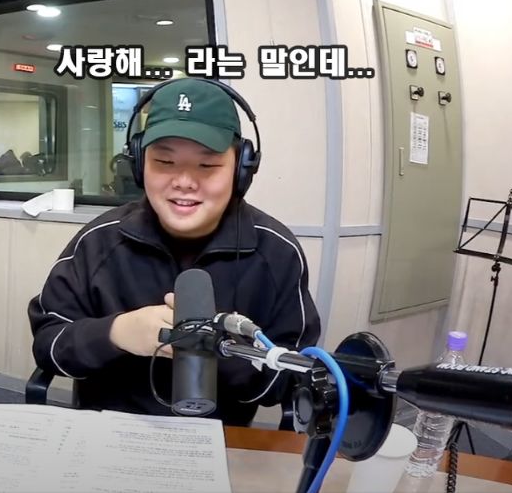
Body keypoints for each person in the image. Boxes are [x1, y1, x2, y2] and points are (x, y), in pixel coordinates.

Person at [28, 77, 321, 426]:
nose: (183, 181)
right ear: (139, 164)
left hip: (220, 438)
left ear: (242, 169)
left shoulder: (277, 252)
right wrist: (116, 333)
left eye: (207, 166)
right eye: (165, 162)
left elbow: (290, 377)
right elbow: (49, 345)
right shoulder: (98, 241)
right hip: (108, 433)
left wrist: (218, 350)